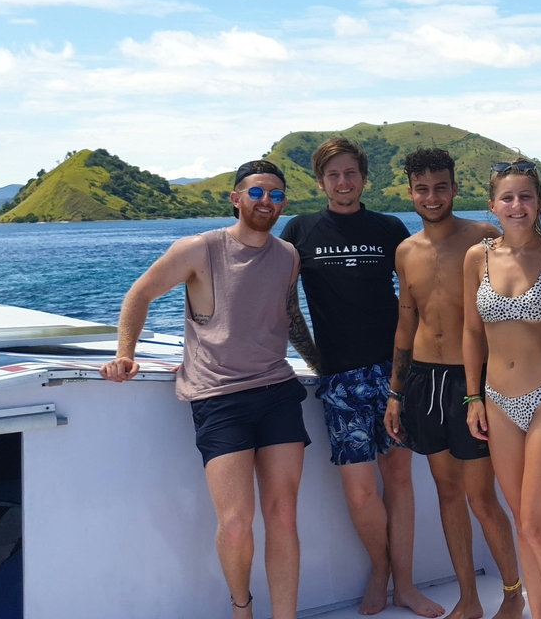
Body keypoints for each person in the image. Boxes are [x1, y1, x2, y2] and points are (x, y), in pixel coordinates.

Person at [100, 160, 319, 619]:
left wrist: (318, 364)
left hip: (278, 391)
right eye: (256, 193)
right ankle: (242, 608)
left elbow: (290, 313)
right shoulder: (199, 249)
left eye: (276, 195)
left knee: (283, 515)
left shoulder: (287, 255)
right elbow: (140, 294)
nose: (266, 201)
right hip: (219, 397)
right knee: (236, 523)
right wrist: (125, 353)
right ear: (236, 199)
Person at [279, 138, 443, 618]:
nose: (343, 182)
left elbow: (419, 297)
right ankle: (380, 570)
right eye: (333, 175)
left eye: (351, 173)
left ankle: (406, 586)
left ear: (364, 178)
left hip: (395, 373)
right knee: (359, 488)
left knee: (399, 480)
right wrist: (316, 362)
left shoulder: (388, 228)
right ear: (320, 182)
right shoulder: (300, 230)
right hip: (339, 379)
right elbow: (285, 305)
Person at [382, 148, 526, 619]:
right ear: (410, 193)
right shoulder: (405, 252)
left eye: (440, 187)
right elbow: (406, 325)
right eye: (422, 189)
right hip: (423, 381)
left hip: (472, 380)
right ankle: (469, 598)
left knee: (481, 497)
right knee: (448, 493)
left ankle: (513, 593)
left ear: (455, 188)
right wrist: (395, 394)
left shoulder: (483, 237)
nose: (432, 197)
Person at [462, 160, 541, 619]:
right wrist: (473, 397)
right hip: (496, 400)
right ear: (492, 205)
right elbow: (471, 331)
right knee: (521, 523)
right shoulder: (477, 258)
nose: (517, 206)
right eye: (508, 198)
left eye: (526, 197)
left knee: (537, 524)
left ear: (539, 203)